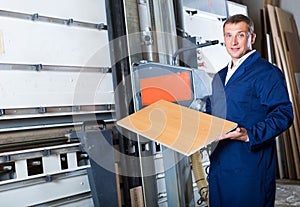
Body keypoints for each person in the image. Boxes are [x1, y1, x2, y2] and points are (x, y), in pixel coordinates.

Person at [205, 14, 294, 207]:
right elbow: (212, 111)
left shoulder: (267, 73)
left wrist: (250, 135)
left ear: (251, 38)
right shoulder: (219, 77)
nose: (234, 42)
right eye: (228, 36)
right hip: (220, 163)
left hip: (249, 165)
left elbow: (283, 113)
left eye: (240, 35)